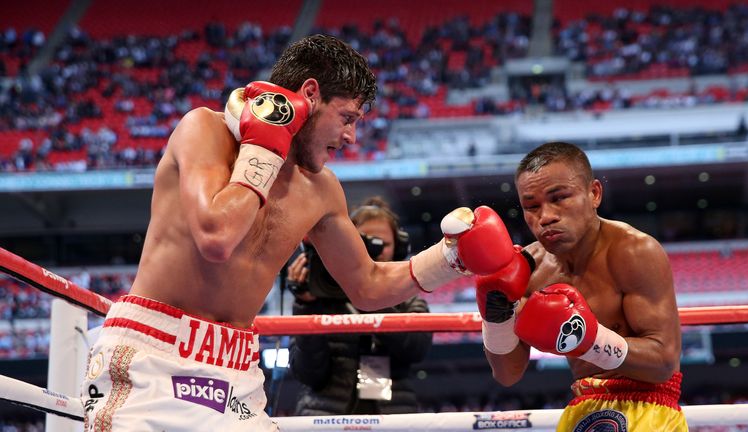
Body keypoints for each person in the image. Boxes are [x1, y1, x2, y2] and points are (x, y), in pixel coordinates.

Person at [81, 34, 521, 431]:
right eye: (347, 117)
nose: (351, 136)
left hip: (234, 372)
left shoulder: (323, 190)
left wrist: (451, 258)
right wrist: (265, 147)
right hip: (152, 356)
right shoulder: (205, 131)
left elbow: (367, 285)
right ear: (310, 94)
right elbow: (216, 237)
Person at [476, 141, 688, 431]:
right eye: (531, 206)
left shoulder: (634, 251)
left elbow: (663, 362)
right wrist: (495, 319)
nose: (545, 216)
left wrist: (588, 339)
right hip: (582, 407)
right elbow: (508, 374)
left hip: (650, 407)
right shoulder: (528, 268)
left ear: (594, 193)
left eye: (560, 197)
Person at [287, 197, 432, 415]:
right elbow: (309, 374)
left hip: (392, 420)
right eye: (366, 241)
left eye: (383, 244)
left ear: (399, 248)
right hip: (326, 420)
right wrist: (305, 306)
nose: (376, 250)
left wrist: (370, 296)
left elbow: (416, 350)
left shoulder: (408, 295)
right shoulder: (320, 291)